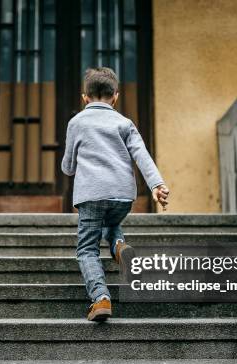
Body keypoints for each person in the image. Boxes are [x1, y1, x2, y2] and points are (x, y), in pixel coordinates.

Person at [61, 67, 170, 321]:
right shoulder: (124, 123)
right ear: (116, 97)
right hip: (122, 195)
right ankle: (119, 245)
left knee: (87, 249)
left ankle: (100, 298)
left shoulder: (76, 123)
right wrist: (156, 185)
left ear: (84, 97)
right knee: (111, 223)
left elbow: (67, 167)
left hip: (91, 195)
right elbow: (141, 155)